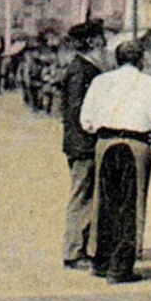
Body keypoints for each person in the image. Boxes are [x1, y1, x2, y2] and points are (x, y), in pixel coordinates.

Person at [79, 39, 151, 284]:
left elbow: (85, 119)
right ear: (141, 60)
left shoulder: (100, 81)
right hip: (137, 144)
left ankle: (100, 261)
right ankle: (121, 267)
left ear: (117, 59)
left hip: (105, 142)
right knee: (131, 204)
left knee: (103, 202)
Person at [58, 20, 107, 271]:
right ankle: (74, 252)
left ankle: (80, 248)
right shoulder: (82, 71)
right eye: (101, 40)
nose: (105, 44)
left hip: (80, 143)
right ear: (93, 43)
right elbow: (78, 111)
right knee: (82, 196)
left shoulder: (83, 68)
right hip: (84, 144)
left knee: (86, 195)